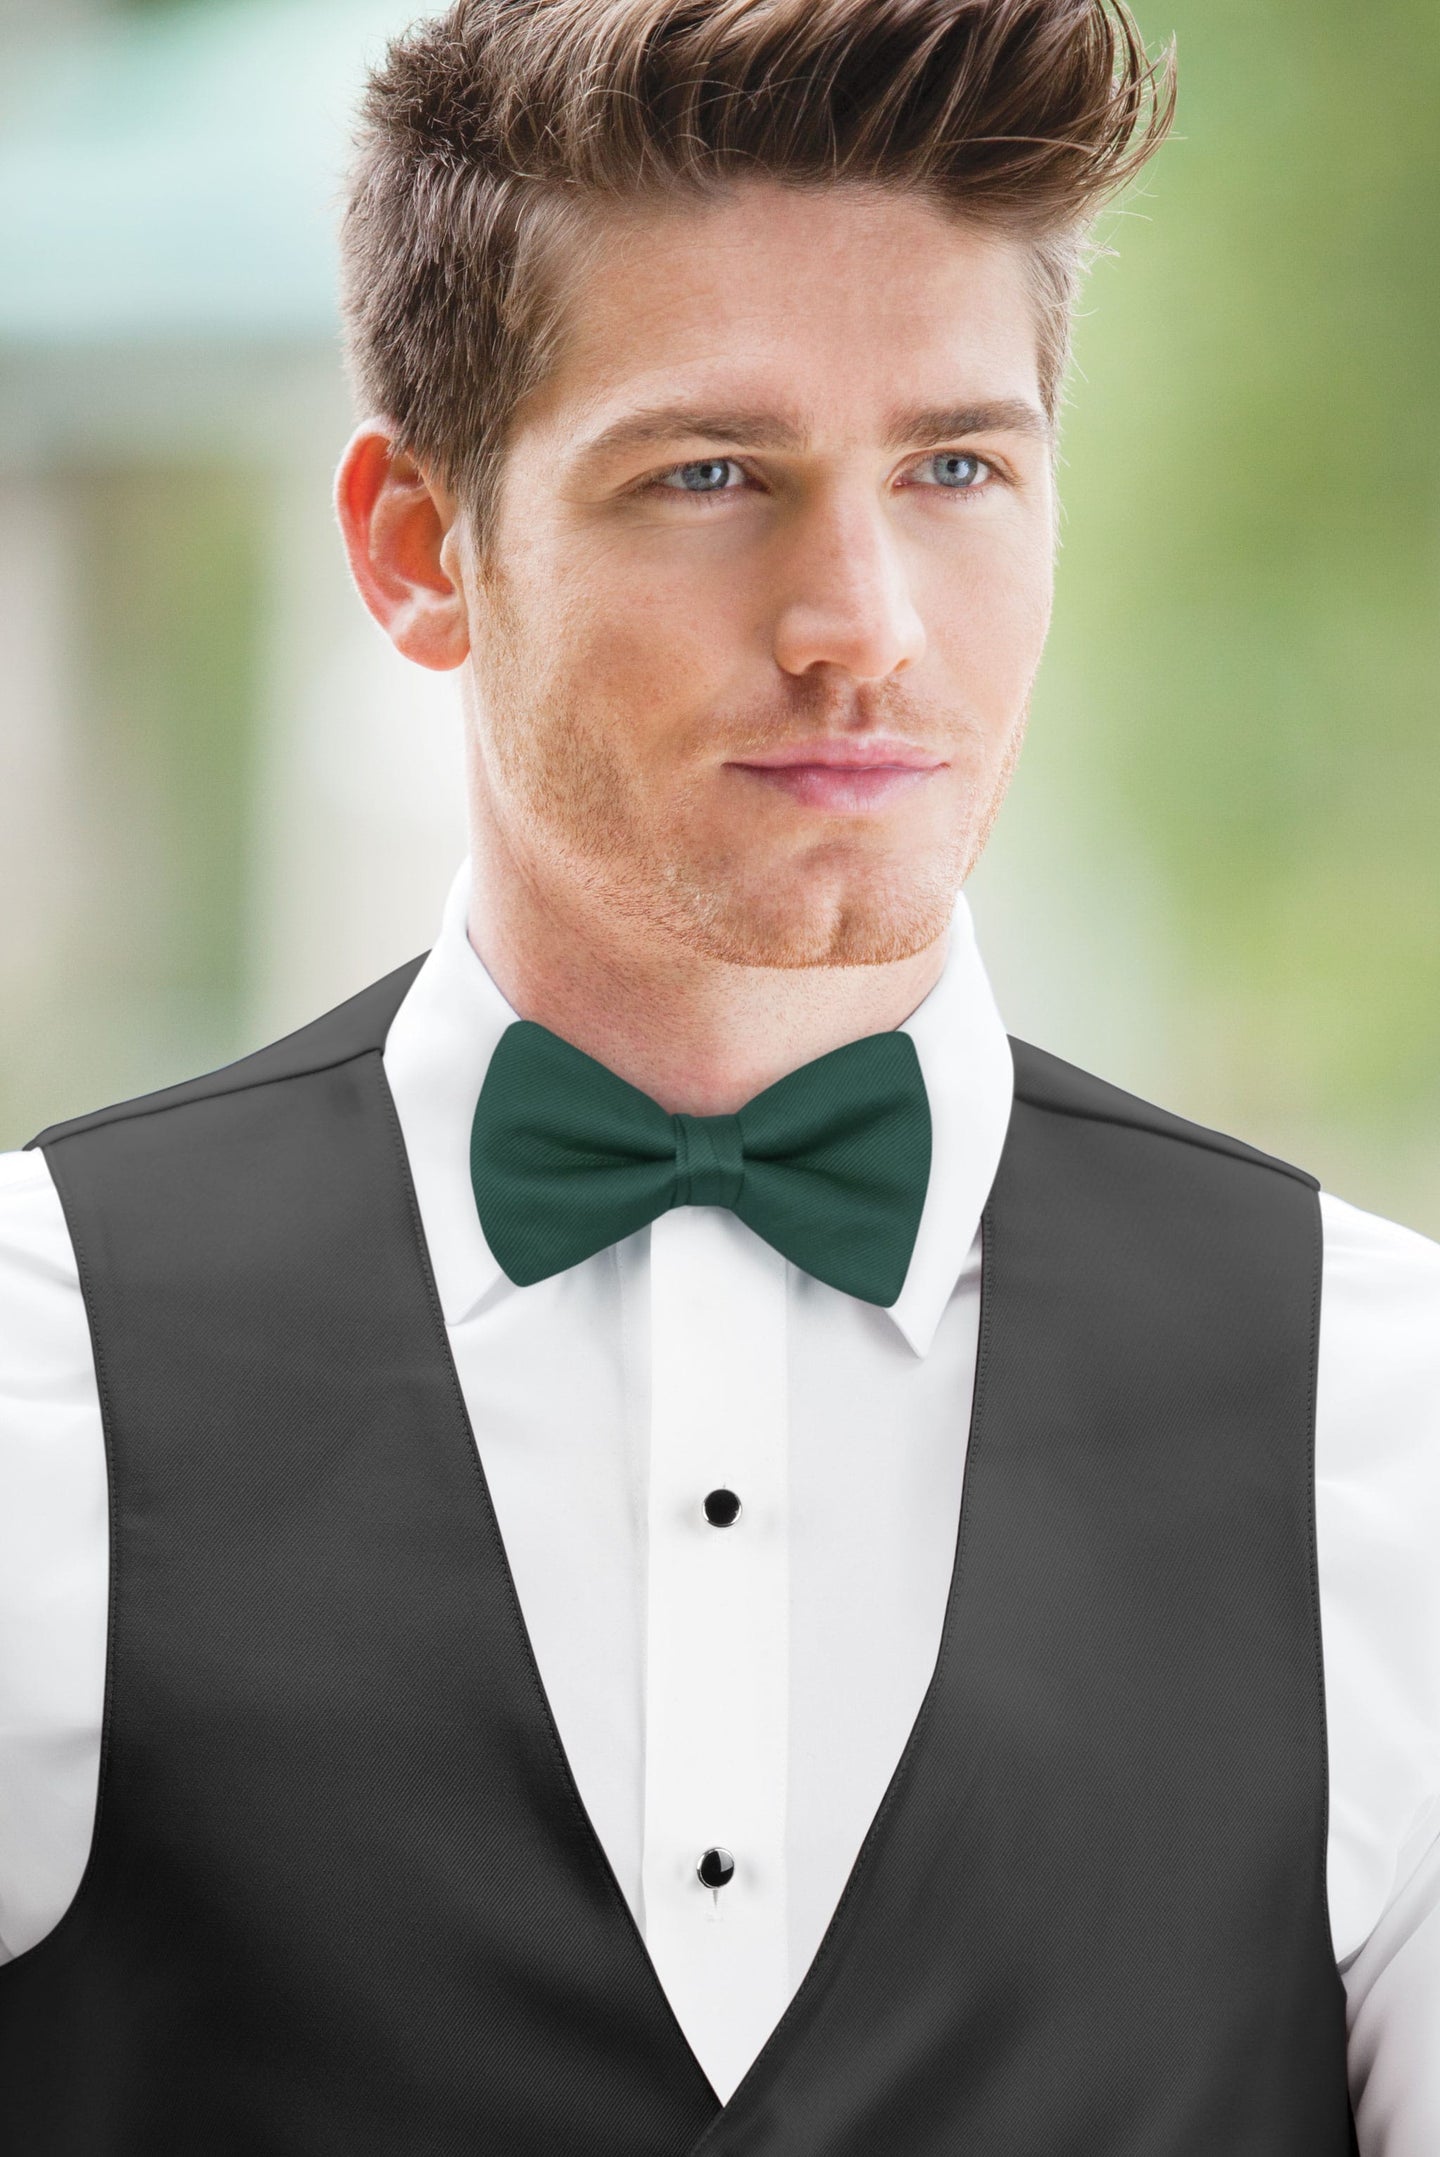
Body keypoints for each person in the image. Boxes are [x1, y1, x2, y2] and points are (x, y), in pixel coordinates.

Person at [0, 0, 1435, 2147]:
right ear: (417, 546)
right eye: (710, 475)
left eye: (956, 466)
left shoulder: (1393, 1418)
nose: (862, 618)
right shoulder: (32, 1372)